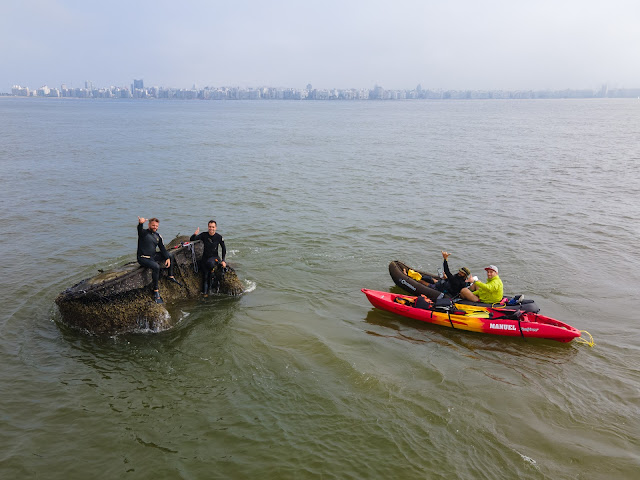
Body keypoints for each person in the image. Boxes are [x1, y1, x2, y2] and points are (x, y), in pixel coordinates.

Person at [137, 216, 179, 303]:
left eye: (156, 226)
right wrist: (141, 223)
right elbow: (139, 229)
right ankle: (155, 291)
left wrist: (167, 258)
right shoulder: (143, 233)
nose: (155, 227)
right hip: (143, 258)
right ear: (149, 225)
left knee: (170, 255)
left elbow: (162, 248)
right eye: (153, 225)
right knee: (156, 266)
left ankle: (170, 276)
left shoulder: (158, 236)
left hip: (152, 256)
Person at [190, 220, 226, 296]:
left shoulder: (219, 237)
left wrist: (223, 260)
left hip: (214, 257)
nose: (211, 228)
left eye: (213, 227)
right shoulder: (204, 235)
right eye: (210, 227)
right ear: (208, 227)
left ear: (215, 228)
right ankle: (205, 294)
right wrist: (195, 234)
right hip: (205, 258)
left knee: (210, 264)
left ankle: (214, 271)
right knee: (205, 276)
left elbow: (224, 248)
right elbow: (192, 239)